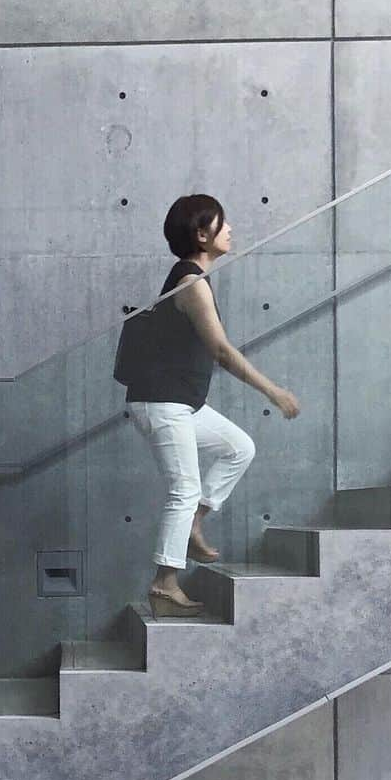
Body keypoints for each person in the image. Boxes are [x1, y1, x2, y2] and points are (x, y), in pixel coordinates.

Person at [124, 194, 301, 617]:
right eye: (223, 224)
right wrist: (273, 391)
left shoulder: (191, 280)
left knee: (239, 447)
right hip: (162, 403)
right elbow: (221, 351)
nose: (231, 230)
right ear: (201, 234)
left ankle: (196, 523)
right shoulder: (190, 284)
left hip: (180, 402)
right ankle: (165, 583)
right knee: (183, 488)